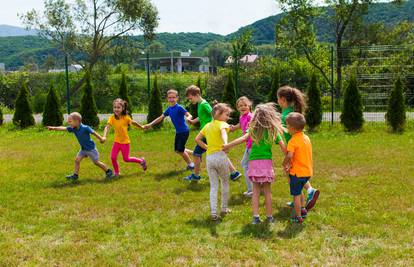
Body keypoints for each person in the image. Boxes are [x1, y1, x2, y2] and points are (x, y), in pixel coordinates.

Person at [224, 103, 286, 224]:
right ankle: (269, 217)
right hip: (266, 163)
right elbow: (283, 147)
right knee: (267, 192)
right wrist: (289, 157)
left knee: (256, 191)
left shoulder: (252, 129)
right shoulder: (273, 130)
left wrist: (228, 145)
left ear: (255, 117)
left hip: (254, 163)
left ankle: (256, 217)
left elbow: (242, 139)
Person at [185, 85, 241, 181]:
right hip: (207, 131)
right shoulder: (200, 104)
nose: (190, 100)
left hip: (208, 132)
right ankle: (234, 173)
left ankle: (196, 175)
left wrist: (223, 125)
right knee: (219, 152)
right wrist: (193, 121)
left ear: (197, 95)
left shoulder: (204, 104)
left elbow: (215, 114)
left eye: (191, 98)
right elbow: (202, 117)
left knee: (196, 154)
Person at [278, 86, 320, 210]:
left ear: (283, 99)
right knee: (297, 174)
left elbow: (284, 129)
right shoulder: (292, 110)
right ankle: (299, 199)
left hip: (292, 147)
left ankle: (305, 195)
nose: (277, 101)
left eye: (278, 99)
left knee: (293, 175)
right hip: (298, 145)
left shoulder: (285, 115)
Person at [47, 112, 113, 180]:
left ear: (77, 121)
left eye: (70, 121)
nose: (69, 123)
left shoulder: (85, 128)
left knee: (96, 162)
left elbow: (94, 133)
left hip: (91, 149)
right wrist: (53, 128)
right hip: (83, 149)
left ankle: (108, 171)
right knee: (77, 160)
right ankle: (75, 175)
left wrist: (101, 139)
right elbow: (64, 128)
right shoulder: (73, 128)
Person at [195, 103, 232, 221]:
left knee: (213, 186)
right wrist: (225, 144)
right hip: (221, 157)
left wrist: (206, 148)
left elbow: (197, 139)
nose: (228, 117)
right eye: (226, 114)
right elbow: (223, 133)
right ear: (218, 114)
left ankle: (213, 212)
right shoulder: (222, 124)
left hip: (210, 158)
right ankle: (224, 208)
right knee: (225, 183)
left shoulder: (207, 126)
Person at [144, 89, 195, 170]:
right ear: (167, 99)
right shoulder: (169, 109)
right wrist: (150, 124)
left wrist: (189, 118)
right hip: (178, 132)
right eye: (170, 97)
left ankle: (191, 165)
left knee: (180, 150)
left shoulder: (179, 107)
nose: (171, 99)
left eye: (173, 97)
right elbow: (160, 118)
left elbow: (189, 115)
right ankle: (195, 153)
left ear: (177, 98)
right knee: (177, 150)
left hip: (184, 131)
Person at [282, 112, 314, 223]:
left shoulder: (292, 140)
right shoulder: (306, 138)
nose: (286, 128)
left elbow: (290, 155)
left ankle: (298, 217)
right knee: (300, 190)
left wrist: (284, 163)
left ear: (292, 128)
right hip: (307, 172)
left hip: (296, 173)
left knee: (296, 195)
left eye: (287, 126)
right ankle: (303, 209)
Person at [103, 98, 146, 177]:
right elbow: (107, 127)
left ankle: (141, 161)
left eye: (118, 107)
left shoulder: (126, 117)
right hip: (117, 142)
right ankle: (117, 173)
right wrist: (104, 135)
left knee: (126, 159)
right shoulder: (112, 118)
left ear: (123, 108)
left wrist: (142, 127)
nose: (116, 109)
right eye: (115, 107)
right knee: (113, 157)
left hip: (125, 142)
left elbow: (133, 122)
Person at [230, 96, 254, 197]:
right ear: (237, 108)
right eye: (240, 106)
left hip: (253, 145)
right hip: (249, 145)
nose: (243, 107)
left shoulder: (250, 116)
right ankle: (256, 187)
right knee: (246, 164)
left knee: (245, 164)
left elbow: (252, 128)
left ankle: (252, 190)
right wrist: (233, 128)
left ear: (249, 106)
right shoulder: (242, 117)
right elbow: (240, 124)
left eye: (245, 105)